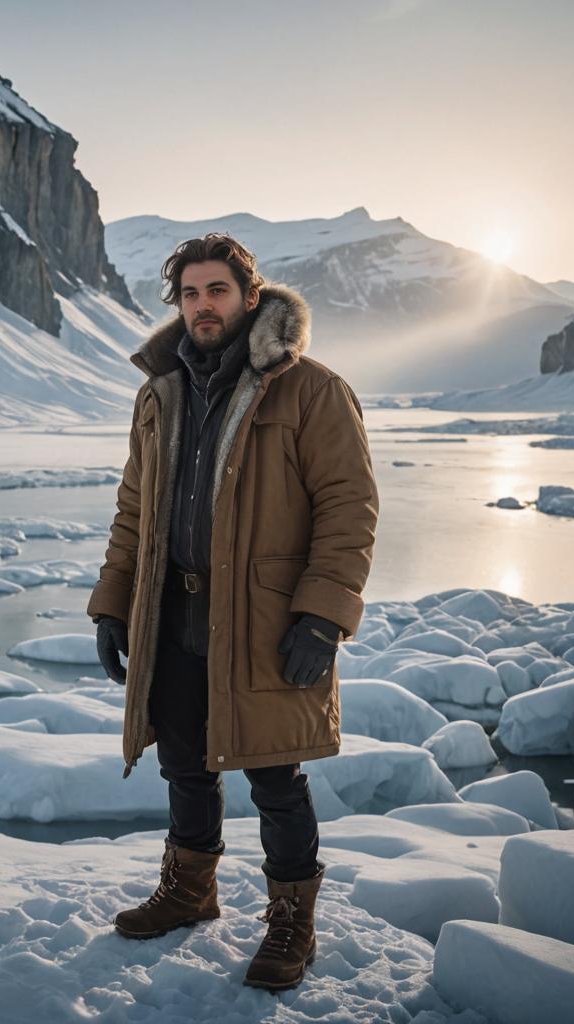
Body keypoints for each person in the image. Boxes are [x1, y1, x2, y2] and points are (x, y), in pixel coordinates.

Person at [87, 233, 379, 991]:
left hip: (267, 620)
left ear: (251, 298)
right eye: (189, 293)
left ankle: (293, 922)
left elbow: (349, 510)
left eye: (217, 290)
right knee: (184, 760)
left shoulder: (311, 389)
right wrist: (114, 606)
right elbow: (133, 511)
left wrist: (323, 617)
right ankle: (190, 889)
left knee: (276, 776)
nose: (202, 305)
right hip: (175, 612)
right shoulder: (160, 392)